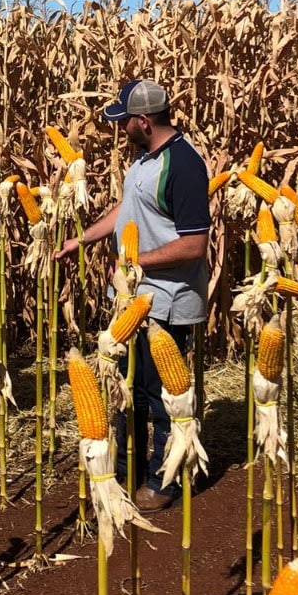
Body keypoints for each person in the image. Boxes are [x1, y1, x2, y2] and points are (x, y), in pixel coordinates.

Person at [56, 79, 210, 511]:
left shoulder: (183, 166)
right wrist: (81, 240)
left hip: (169, 300)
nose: (120, 127)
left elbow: (194, 243)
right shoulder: (145, 160)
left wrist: (135, 261)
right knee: (132, 390)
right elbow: (127, 210)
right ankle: (127, 470)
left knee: (164, 394)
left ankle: (165, 480)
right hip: (134, 297)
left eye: (125, 120)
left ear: (144, 121)